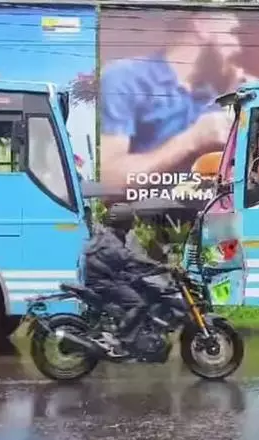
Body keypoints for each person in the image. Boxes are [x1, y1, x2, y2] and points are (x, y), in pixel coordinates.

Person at [98, 11, 244, 194]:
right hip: (144, 210)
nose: (238, 48)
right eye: (232, 33)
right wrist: (191, 140)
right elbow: (107, 181)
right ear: (203, 26)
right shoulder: (124, 78)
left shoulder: (214, 94)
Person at [83, 203, 174, 342]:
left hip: (109, 276)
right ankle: (122, 339)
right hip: (104, 281)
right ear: (123, 221)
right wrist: (159, 265)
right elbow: (128, 257)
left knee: (146, 288)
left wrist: (152, 268)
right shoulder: (110, 239)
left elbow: (126, 260)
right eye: (130, 221)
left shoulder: (110, 234)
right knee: (139, 304)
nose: (132, 225)